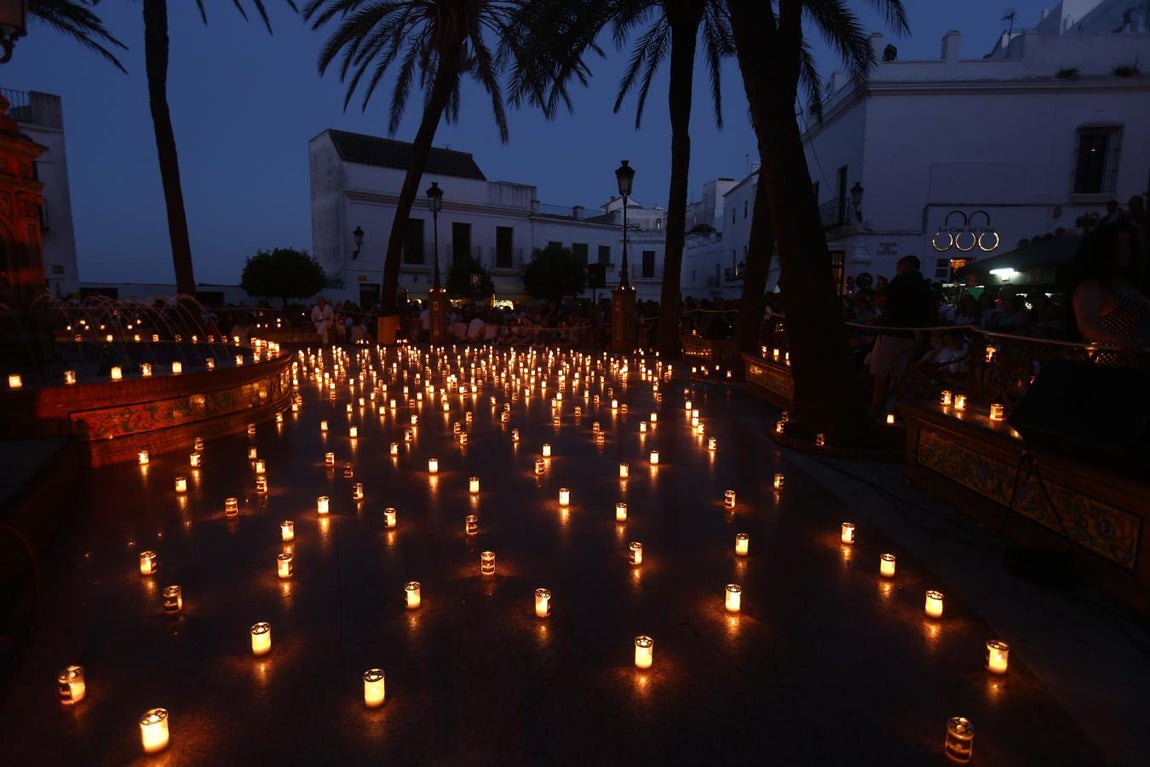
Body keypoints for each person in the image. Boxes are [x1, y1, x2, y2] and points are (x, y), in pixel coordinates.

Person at [1068, 222, 1150, 361]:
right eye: (1120, 246)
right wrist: (1119, 339)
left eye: (1128, 245)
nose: (1126, 251)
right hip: (1112, 365)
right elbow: (1087, 323)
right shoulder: (1092, 287)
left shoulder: (1125, 284)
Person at [867, 255, 936, 417]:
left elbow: (881, 302)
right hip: (910, 335)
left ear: (905, 265)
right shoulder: (923, 285)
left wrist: (880, 291)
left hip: (892, 333)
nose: (897, 270)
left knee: (879, 373)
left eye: (898, 267)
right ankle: (899, 411)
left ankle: (875, 410)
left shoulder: (901, 281)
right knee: (899, 375)